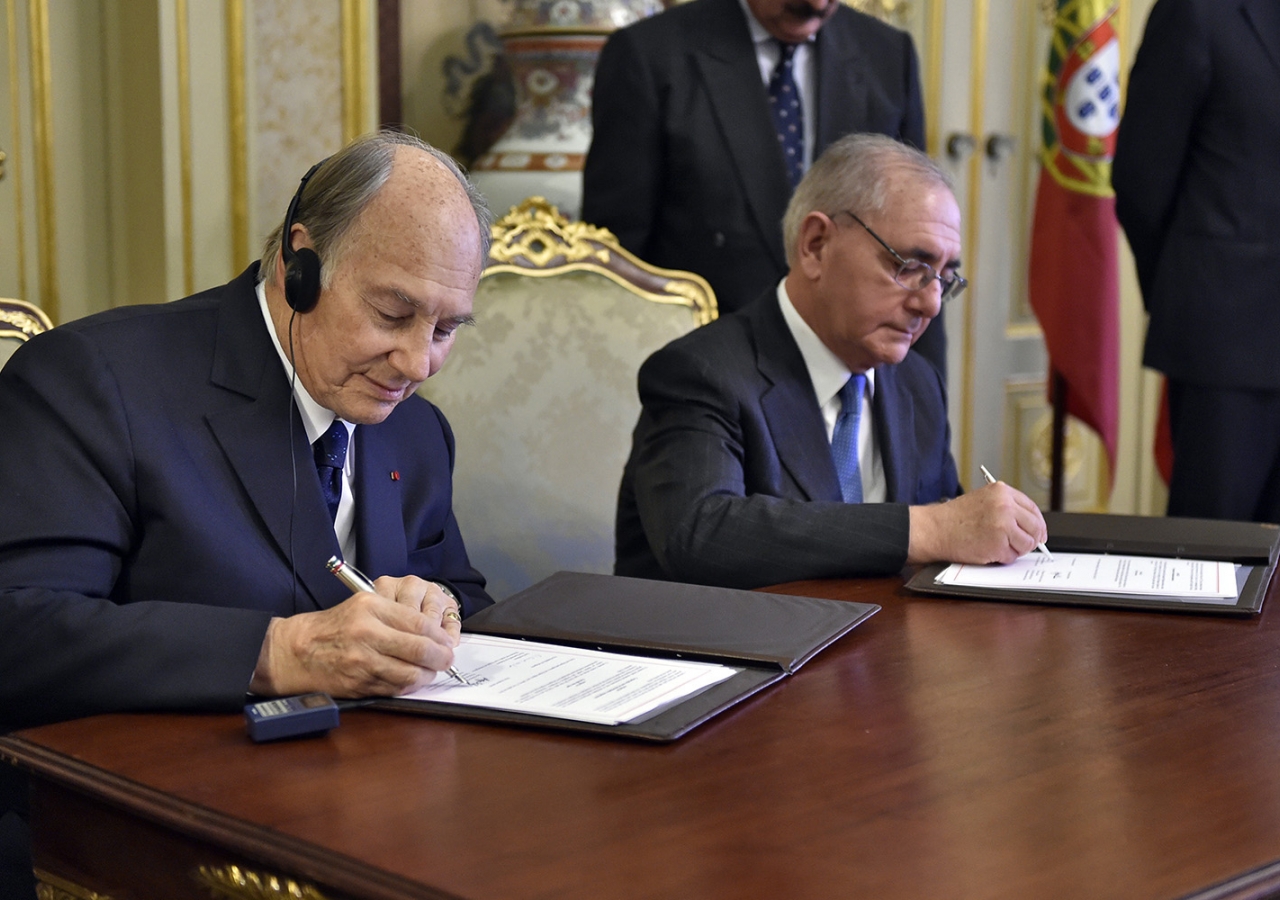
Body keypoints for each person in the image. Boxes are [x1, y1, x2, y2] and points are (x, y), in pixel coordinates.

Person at [0, 132, 493, 897]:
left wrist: (440, 611)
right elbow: (17, 632)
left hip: (378, 823)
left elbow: (466, 593)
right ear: (302, 262)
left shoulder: (417, 430)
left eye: (446, 329)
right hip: (123, 840)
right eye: (393, 312)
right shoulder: (95, 381)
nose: (417, 363)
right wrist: (278, 652)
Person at [615, 134, 1047, 589]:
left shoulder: (917, 383)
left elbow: (948, 547)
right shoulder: (701, 374)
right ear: (817, 245)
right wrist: (929, 529)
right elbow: (700, 533)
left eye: (944, 278)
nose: (931, 304)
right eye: (909, 267)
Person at [581, 0, 946, 378]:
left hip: (855, 377)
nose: (816, 6)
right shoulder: (650, 54)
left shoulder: (888, 54)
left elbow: (922, 246)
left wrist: (929, 406)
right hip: (704, 376)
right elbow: (614, 258)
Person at [1112, 0, 1280, 523]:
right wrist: (1190, 292)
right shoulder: (1196, 12)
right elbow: (1141, 181)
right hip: (1224, 343)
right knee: (1215, 558)